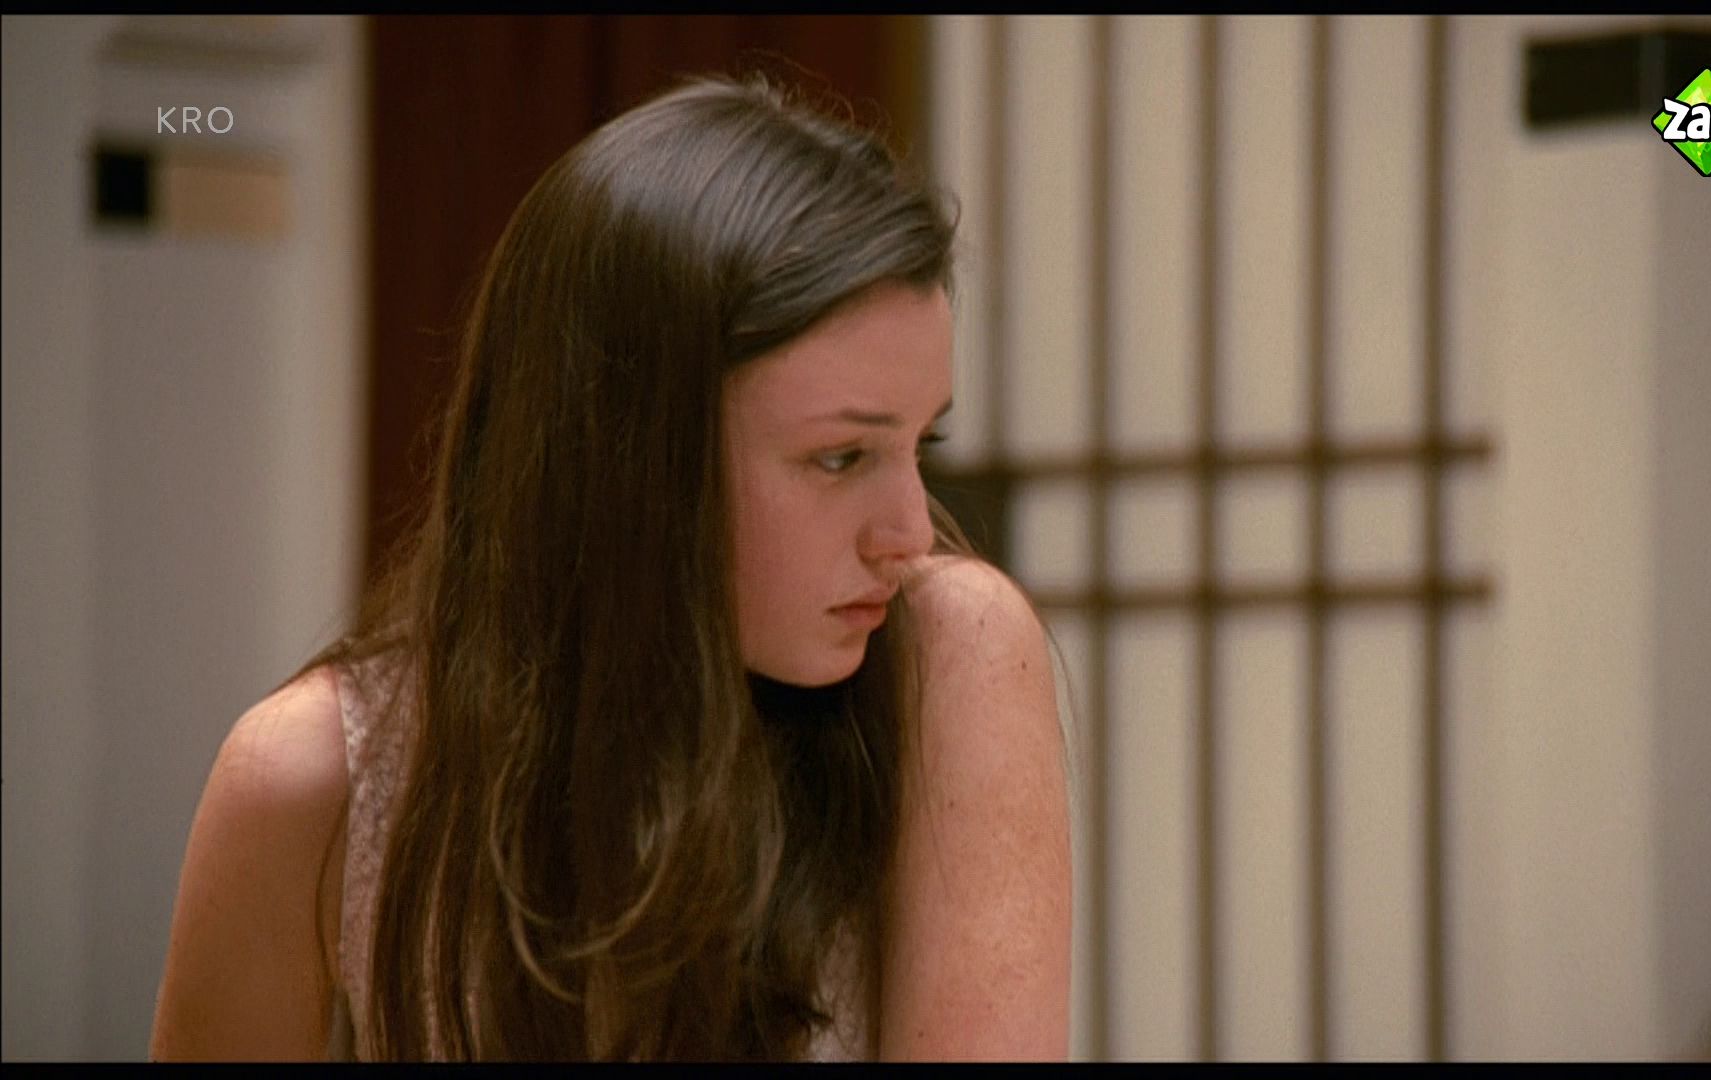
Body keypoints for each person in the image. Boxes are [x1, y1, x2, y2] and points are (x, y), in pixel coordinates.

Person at [148, 74, 1072, 1062]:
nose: (911, 534)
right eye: (841, 457)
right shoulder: (315, 775)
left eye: (919, 447)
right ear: (630, 457)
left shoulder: (948, 654)